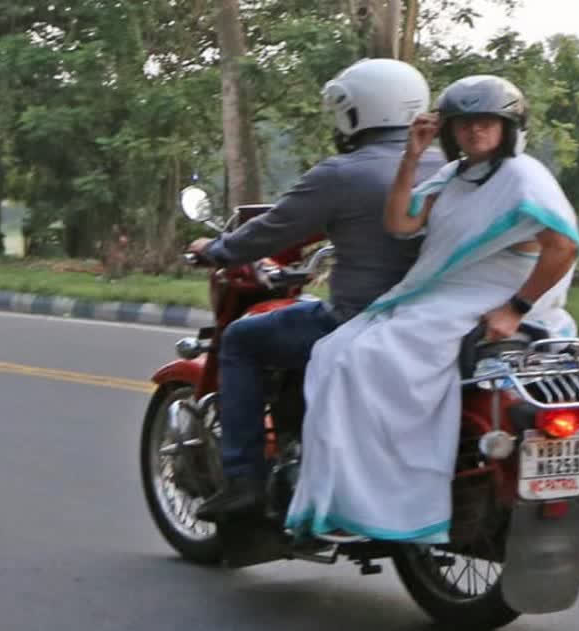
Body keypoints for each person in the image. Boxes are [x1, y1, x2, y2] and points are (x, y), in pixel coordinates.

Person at [285, 75, 579, 543]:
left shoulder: (522, 177)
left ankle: (388, 498)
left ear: (510, 127)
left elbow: (562, 248)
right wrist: (412, 157)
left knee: (363, 358)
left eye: (487, 122)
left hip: (491, 297)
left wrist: (514, 310)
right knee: (330, 352)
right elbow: (400, 223)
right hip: (444, 294)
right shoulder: (454, 175)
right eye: (464, 124)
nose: (474, 132)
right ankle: (345, 489)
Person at [187, 58, 445, 519]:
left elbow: (271, 230)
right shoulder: (450, 164)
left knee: (243, 340)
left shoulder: (341, 174)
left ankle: (244, 479)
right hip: (437, 322)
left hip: (361, 321)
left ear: (356, 112)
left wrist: (218, 249)